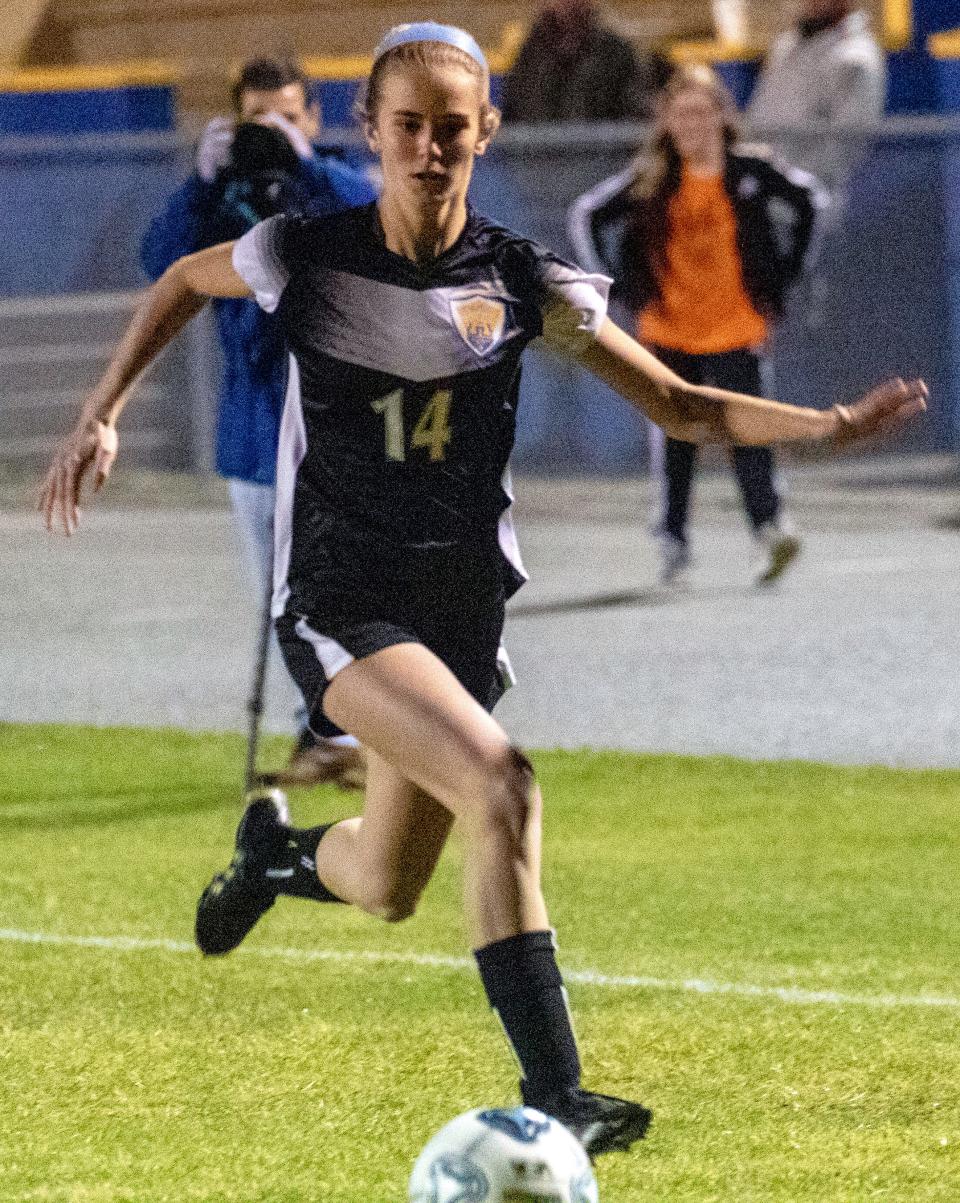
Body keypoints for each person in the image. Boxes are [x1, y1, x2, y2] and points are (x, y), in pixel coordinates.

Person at [39, 22, 924, 1154]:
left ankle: (275, 855)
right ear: (370, 130)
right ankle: (557, 1091)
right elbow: (178, 280)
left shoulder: (521, 280)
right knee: (501, 786)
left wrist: (829, 427)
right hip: (342, 602)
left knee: (387, 881)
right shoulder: (306, 252)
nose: (428, 148)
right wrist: (101, 413)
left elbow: (686, 408)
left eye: (451, 127)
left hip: (459, 611)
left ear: (483, 133)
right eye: (406, 126)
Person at [141, 55, 377, 789]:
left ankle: (357, 732)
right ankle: (325, 735)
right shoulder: (224, 196)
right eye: (258, 118)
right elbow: (159, 261)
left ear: (310, 116)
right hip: (251, 432)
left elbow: (377, 230)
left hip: (334, 429)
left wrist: (304, 163)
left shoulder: (332, 182)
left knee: (340, 593)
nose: (271, 130)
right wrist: (203, 181)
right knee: (279, 602)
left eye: (286, 114)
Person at [569, 64, 828, 584]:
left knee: (748, 429)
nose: (692, 124)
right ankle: (673, 538)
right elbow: (589, 215)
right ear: (665, 121)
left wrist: (786, 271)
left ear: (721, 116)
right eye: (681, 114)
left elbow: (809, 202)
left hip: (737, 325)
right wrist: (616, 286)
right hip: (669, 327)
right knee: (676, 436)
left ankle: (770, 527)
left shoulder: (750, 171)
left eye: (702, 112)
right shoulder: (653, 180)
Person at [747, 0, 886, 209]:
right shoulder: (785, 46)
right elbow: (758, 121)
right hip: (760, 190)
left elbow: (844, 146)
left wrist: (791, 183)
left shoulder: (856, 56)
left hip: (812, 201)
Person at [501, 0, 670, 123]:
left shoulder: (617, 51)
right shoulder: (530, 53)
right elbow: (514, 111)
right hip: (540, 163)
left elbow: (636, 112)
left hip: (604, 162)